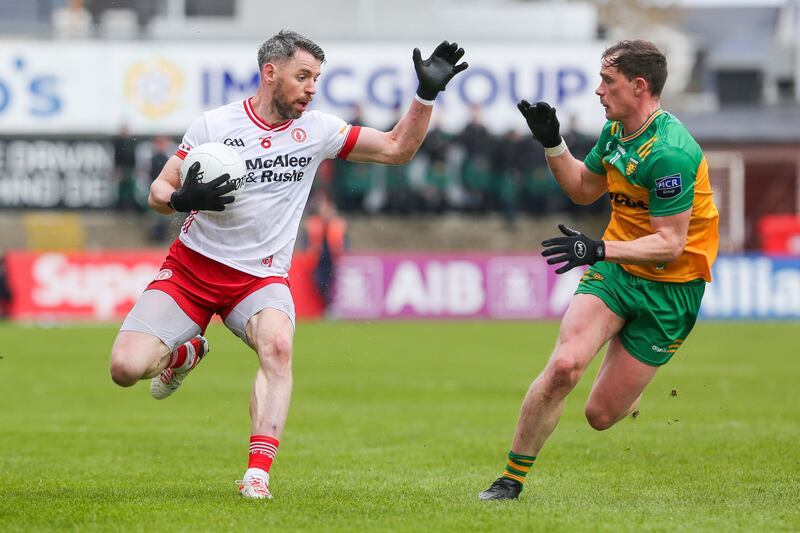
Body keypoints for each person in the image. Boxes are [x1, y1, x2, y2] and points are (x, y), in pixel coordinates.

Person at [108, 30, 467, 500]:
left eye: (317, 78)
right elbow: (158, 192)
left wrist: (425, 95)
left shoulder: (317, 131)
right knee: (124, 369)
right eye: (303, 76)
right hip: (192, 269)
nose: (312, 88)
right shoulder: (214, 127)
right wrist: (181, 198)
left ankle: (257, 475)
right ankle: (185, 353)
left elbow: (398, 149)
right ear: (270, 73)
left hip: (259, 279)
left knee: (277, 347)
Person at [478, 40, 719, 500]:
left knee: (601, 415)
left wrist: (598, 248)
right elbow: (582, 189)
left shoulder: (670, 153)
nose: (598, 91)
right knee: (565, 366)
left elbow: (670, 244)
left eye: (608, 82)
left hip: (673, 288)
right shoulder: (615, 133)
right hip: (618, 273)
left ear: (639, 86)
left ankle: (630, 386)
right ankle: (510, 479)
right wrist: (553, 142)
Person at [302, 193, 348, 312]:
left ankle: (329, 308)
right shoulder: (313, 223)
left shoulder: (338, 224)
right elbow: (306, 240)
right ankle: (326, 307)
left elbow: (345, 240)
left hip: (332, 258)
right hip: (317, 259)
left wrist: (343, 251)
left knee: (331, 283)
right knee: (319, 283)